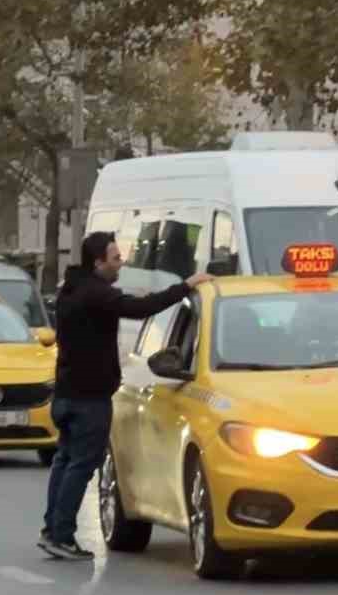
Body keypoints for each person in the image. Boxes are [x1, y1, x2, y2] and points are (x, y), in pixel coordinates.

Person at [39, 231, 211, 559]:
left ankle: (52, 529)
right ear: (98, 261)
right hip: (89, 398)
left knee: (64, 461)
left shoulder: (72, 290)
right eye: (116, 258)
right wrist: (186, 285)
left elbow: (121, 303)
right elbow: (141, 308)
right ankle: (61, 535)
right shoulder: (95, 294)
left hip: (66, 394)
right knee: (81, 464)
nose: (121, 263)